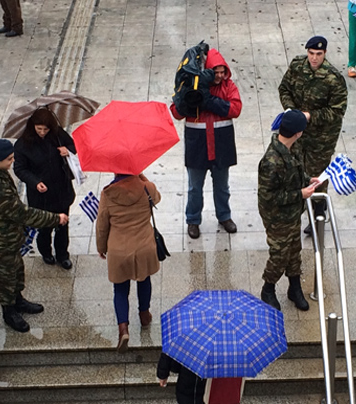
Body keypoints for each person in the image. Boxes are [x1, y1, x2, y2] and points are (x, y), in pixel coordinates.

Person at [0, 139, 68, 333]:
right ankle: (8, 311)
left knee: (16, 268)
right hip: (1, 238)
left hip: (9, 233)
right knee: (5, 274)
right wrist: (55, 219)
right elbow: (23, 213)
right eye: (9, 159)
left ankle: (17, 300)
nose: (12, 161)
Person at [170, 48, 242, 240]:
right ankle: (193, 220)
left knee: (222, 187)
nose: (219, 76)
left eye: (221, 71)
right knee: (195, 188)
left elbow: (235, 109)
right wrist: (189, 99)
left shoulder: (228, 86)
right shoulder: (191, 85)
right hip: (198, 145)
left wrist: (208, 101)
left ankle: (224, 216)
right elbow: (176, 112)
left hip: (220, 144)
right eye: (215, 72)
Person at [278, 36, 347, 234]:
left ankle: (318, 215)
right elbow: (284, 88)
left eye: (318, 54)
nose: (314, 58)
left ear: (324, 54)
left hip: (321, 138)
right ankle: (297, 208)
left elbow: (337, 111)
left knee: (317, 177)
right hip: (298, 134)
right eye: (311, 53)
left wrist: (309, 116)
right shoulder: (298, 66)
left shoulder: (333, 78)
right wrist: (291, 109)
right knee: (297, 171)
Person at [258, 110, 321, 311]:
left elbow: (295, 174)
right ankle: (268, 289)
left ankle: (294, 288)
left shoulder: (291, 148)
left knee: (294, 251)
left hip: (292, 213)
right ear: (298, 133)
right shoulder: (271, 161)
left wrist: (307, 180)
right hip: (276, 217)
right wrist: (300, 194)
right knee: (279, 254)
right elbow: (269, 197)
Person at [96, 173, 161, 353]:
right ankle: (144, 315)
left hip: (119, 249)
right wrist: (141, 175)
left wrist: (101, 246)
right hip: (143, 246)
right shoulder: (147, 188)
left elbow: (102, 224)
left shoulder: (107, 194)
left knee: (120, 289)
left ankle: (123, 329)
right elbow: (158, 198)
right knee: (144, 280)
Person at [14, 108, 76, 270]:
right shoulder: (22, 144)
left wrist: (67, 150)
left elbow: (72, 145)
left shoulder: (57, 135)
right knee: (44, 228)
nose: (42, 132)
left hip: (61, 190)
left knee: (63, 227)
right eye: (39, 129)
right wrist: (34, 182)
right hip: (40, 196)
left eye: (45, 129)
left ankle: (63, 255)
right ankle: (46, 252)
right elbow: (20, 169)